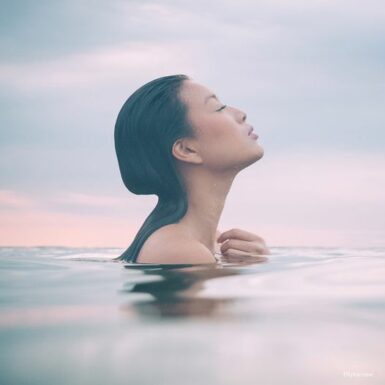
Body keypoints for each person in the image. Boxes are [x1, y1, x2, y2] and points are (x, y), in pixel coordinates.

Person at [114, 74, 270, 264]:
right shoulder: (179, 250)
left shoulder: (212, 245)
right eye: (219, 108)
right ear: (187, 149)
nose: (241, 113)